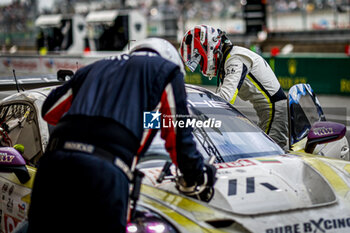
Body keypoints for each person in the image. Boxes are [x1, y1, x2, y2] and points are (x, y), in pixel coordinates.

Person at [27, 38, 216, 233]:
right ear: (171, 59)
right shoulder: (167, 70)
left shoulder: (94, 68)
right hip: (104, 171)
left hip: (53, 166)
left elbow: (49, 110)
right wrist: (196, 175)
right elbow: (178, 137)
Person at [180, 25, 288, 149]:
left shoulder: (235, 58)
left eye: (199, 59)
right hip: (269, 111)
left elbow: (224, 99)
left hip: (275, 111)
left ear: (209, 48)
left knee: (270, 153)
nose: (200, 65)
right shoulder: (229, 59)